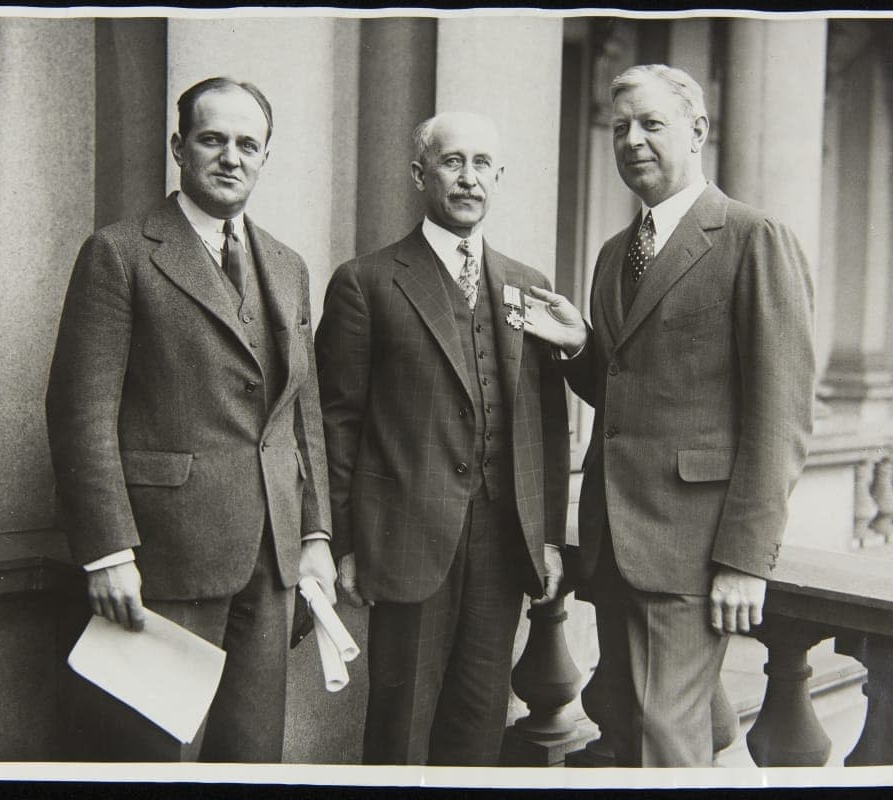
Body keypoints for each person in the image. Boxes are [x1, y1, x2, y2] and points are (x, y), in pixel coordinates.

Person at [524, 64, 816, 766]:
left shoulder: (753, 238)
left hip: (693, 547)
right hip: (614, 540)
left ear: (698, 131)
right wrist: (579, 351)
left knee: (665, 739)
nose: (632, 140)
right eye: (620, 127)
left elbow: (781, 416)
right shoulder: (612, 253)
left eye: (652, 124)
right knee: (623, 723)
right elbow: (634, 392)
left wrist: (746, 560)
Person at [46, 77, 336, 763]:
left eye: (247, 144)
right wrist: (108, 551)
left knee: (252, 757)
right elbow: (80, 413)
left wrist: (317, 533)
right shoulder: (120, 252)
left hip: (271, 561)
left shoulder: (288, 267)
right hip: (161, 562)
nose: (231, 157)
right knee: (153, 759)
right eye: (212, 139)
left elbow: (303, 414)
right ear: (179, 147)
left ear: (265, 157)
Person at [315, 111, 569, 765]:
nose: (469, 178)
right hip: (404, 541)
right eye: (453, 162)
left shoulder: (528, 285)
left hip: (502, 545)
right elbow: (335, 422)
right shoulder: (367, 282)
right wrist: (345, 542)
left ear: (499, 178)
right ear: (419, 173)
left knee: (480, 727)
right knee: (399, 731)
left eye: (483, 165)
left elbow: (546, 422)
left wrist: (544, 534)